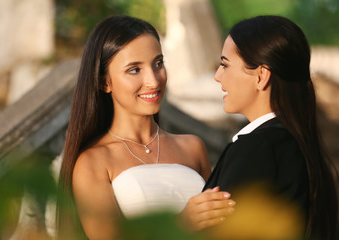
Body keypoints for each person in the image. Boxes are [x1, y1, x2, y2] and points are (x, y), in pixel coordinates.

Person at [56, 15, 234, 240]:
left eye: (158, 63)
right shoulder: (93, 162)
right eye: (134, 69)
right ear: (104, 82)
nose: (153, 80)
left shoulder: (193, 147)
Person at [203, 15, 338, 239]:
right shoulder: (296, 141)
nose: (218, 76)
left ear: (261, 76)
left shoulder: (258, 148)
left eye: (225, 64)